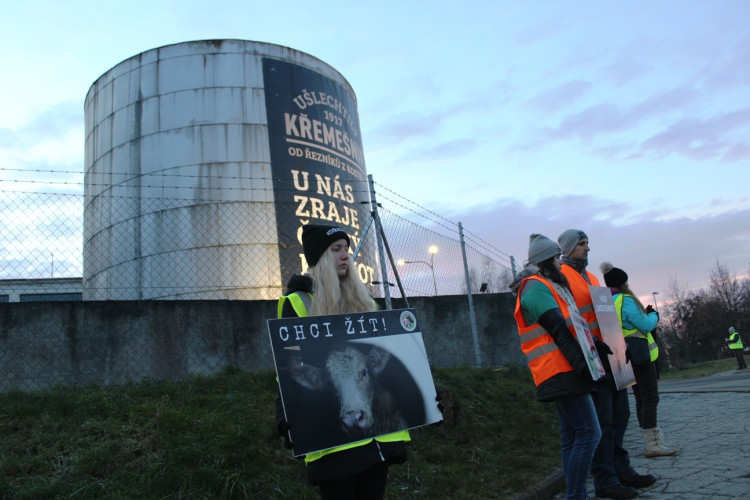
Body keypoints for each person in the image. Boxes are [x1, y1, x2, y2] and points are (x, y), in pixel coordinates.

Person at [276, 224, 410, 500]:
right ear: (318, 258)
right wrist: (285, 411)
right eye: (335, 249)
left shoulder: (366, 305)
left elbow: (387, 365)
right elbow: (288, 365)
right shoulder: (297, 303)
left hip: (377, 439)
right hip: (331, 440)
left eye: (346, 249)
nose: (345, 256)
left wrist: (420, 400)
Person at [557, 229, 654, 499]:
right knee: (604, 420)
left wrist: (620, 348)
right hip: (593, 358)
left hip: (612, 354)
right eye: (581, 244)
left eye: (587, 243)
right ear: (567, 248)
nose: (588, 248)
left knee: (621, 415)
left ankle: (622, 469)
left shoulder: (589, 276)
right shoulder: (564, 277)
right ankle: (605, 480)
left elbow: (604, 314)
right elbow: (571, 320)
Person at [511, 234, 601, 500]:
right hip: (559, 370)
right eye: (555, 258)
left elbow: (573, 325)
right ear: (546, 261)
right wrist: (587, 368)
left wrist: (595, 344)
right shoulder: (536, 287)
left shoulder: (547, 285)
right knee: (590, 433)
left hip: (563, 368)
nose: (560, 263)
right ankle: (576, 495)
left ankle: (576, 494)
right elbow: (559, 330)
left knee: (572, 437)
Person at [601, 261, 677, 459]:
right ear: (623, 283)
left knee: (640, 399)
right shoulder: (626, 300)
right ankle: (653, 444)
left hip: (624, 357)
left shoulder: (607, 302)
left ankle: (649, 440)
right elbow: (644, 326)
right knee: (650, 397)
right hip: (641, 355)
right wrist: (653, 316)